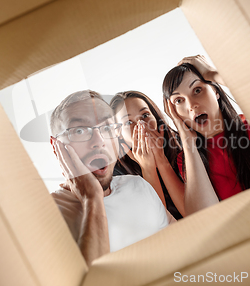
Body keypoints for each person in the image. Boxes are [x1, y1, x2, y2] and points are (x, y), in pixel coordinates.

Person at [49, 90, 170, 266]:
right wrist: (92, 198)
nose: (99, 141)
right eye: (80, 130)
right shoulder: (49, 214)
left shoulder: (139, 184)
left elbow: (183, 245)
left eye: (106, 128)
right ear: (56, 146)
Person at [162, 55, 250, 215]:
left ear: (216, 91)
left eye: (197, 90)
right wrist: (188, 143)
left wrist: (212, 74)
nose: (191, 105)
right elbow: (204, 217)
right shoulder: (188, 161)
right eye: (179, 101)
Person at [110, 91, 185, 218]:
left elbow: (195, 211)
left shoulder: (181, 145)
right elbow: (159, 221)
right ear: (118, 132)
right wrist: (147, 168)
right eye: (129, 122)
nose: (141, 125)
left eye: (145, 115)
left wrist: (161, 160)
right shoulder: (115, 174)